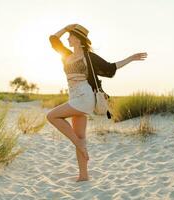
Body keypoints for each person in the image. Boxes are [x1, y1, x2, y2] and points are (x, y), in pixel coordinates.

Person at [46, 24, 147, 182]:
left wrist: (130, 58)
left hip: (85, 96)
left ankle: (79, 144)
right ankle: (83, 176)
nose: (67, 38)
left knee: (51, 116)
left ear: (79, 39)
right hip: (73, 97)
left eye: (71, 36)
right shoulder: (66, 54)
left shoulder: (89, 56)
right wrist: (67, 28)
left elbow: (110, 68)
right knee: (79, 135)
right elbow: (53, 39)